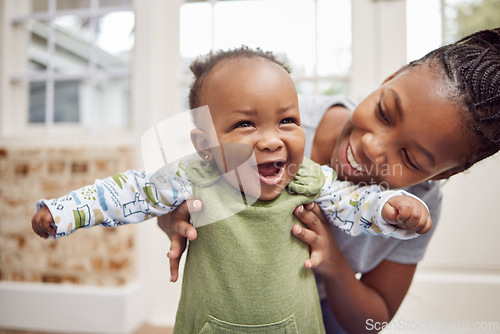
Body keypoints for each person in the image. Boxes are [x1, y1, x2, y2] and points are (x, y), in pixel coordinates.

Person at [32, 47, 432, 333]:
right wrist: (64, 212)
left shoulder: (309, 179)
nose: (271, 140)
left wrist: (395, 206)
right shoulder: (192, 177)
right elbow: (128, 193)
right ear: (204, 145)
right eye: (246, 125)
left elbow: (356, 204)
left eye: (287, 121)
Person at [160, 27, 500, 333]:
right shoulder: (270, 123)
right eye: (384, 112)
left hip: (329, 310)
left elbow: (372, 320)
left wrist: (333, 262)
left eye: (409, 158)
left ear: (444, 173)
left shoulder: (414, 208)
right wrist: (174, 217)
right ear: (390, 78)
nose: (371, 146)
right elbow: (185, 189)